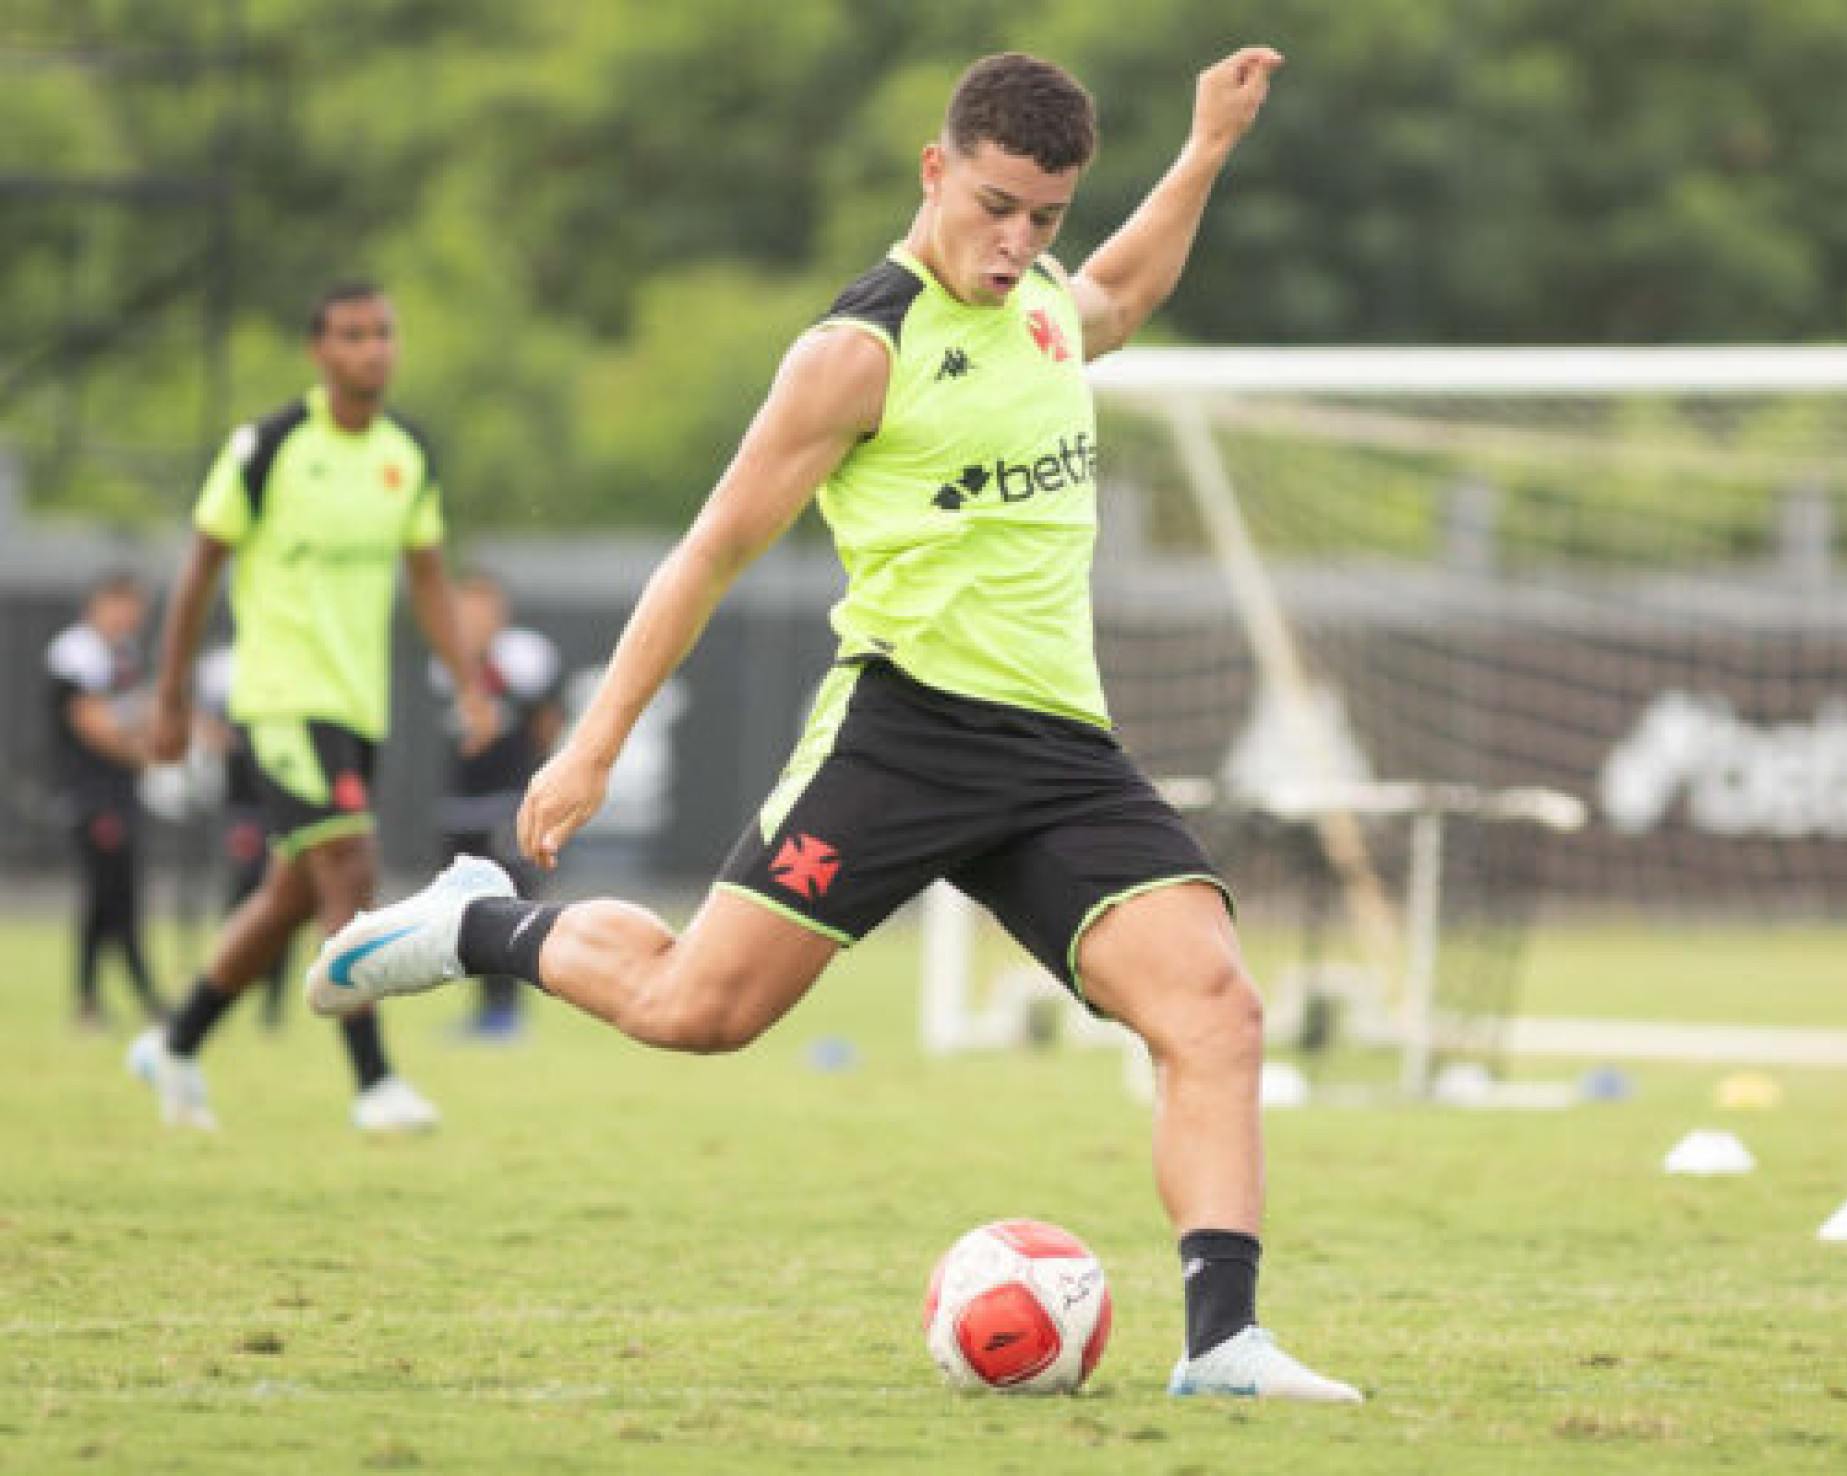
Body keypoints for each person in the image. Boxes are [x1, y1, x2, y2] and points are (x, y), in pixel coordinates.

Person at [313, 51, 1360, 1401]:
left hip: (1057, 752)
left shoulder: (1041, 300)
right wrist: (591, 745)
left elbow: (1128, 289)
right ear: (936, 171)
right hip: (904, 733)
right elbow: (706, 553)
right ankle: (476, 923)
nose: (1019, 241)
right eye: (996, 207)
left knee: (1216, 1010)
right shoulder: (856, 351)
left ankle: (1222, 1343)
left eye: (1045, 216)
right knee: (699, 1011)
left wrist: (1207, 145)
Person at [133, 279, 497, 1132]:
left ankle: (175, 1044)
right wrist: (172, 696)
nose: (372, 348)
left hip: (356, 706)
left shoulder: (406, 455)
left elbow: (430, 580)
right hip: (281, 699)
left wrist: (470, 683)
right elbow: (198, 571)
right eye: (352, 334)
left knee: (293, 894)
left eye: (383, 333)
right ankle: (374, 1084)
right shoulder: (268, 445)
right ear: (319, 351)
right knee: (352, 866)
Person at [426, 571, 564, 1041]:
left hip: (507, 804)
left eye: (481, 610)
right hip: (461, 806)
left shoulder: (522, 659)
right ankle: (484, 1010)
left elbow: (546, 719)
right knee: (466, 910)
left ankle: (508, 1013)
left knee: (509, 901)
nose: (472, 620)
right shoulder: (447, 662)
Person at [47, 571, 168, 1030]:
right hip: (93, 796)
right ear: (99, 604)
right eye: (123, 605)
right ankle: (107, 998)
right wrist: (144, 755)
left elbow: (139, 713)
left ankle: (110, 999)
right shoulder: (75, 652)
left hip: (122, 792)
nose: (131, 617)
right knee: (106, 895)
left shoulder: (125, 654)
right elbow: (92, 724)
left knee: (121, 894)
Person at [195, 646, 292, 1031]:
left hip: (284, 804)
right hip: (245, 808)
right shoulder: (221, 668)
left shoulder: (292, 662)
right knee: (243, 895)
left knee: (286, 901)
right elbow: (204, 724)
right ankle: (222, 992)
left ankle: (273, 1004)